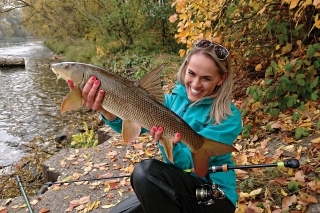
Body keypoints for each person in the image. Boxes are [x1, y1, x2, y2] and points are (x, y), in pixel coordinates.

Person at [67, 39, 242, 213]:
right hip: (175, 186)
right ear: (185, 67)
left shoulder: (228, 116)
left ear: (221, 79)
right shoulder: (170, 101)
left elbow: (189, 165)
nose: (196, 84)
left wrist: (169, 143)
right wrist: (106, 110)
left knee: (144, 173)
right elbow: (131, 120)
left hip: (213, 196)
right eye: (192, 73)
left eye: (206, 78)